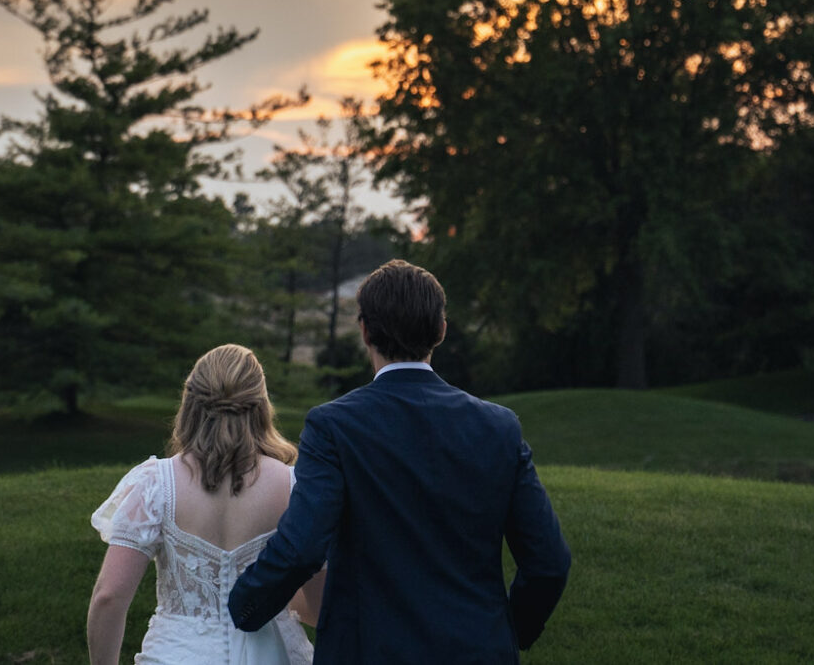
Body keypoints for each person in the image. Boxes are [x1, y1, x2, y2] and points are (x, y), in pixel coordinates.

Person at [228, 260, 571, 663]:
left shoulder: (333, 426)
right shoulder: (499, 428)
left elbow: (302, 549)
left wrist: (243, 607)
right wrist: (508, 631)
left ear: (365, 331)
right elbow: (548, 562)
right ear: (441, 330)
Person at [89, 344, 323, 665]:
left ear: (190, 403)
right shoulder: (295, 487)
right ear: (261, 406)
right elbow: (320, 606)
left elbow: (109, 596)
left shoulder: (155, 484)